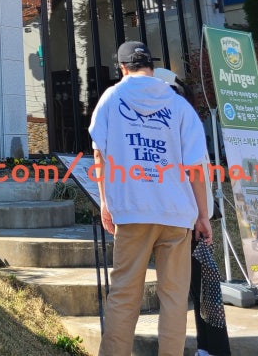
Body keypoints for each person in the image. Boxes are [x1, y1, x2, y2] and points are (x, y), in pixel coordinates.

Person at [90, 41, 211, 356]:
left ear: (122, 68)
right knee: (174, 298)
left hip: (133, 210)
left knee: (124, 295)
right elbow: (196, 167)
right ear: (153, 68)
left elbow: (99, 154)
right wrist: (202, 215)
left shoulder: (111, 99)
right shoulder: (179, 105)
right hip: (176, 213)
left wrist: (105, 202)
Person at [154, 68, 231, 356]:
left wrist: (201, 216)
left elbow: (196, 171)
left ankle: (212, 349)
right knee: (200, 286)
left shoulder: (176, 122)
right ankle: (209, 348)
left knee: (200, 286)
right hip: (188, 216)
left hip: (187, 218)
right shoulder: (184, 119)